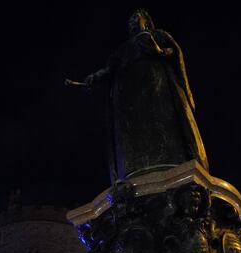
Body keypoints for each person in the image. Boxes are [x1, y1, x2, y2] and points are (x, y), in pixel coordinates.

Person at [70, 10, 208, 182]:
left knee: (163, 121)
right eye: (130, 23)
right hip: (132, 94)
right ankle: (139, 166)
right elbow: (109, 69)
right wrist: (92, 78)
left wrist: (160, 52)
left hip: (158, 86)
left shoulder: (158, 35)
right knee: (138, 129)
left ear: (147, 23)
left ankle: (174, 160)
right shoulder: (123, 50)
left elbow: (175, 52)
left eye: (137, 19)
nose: (133, 23)